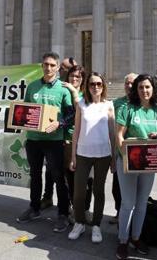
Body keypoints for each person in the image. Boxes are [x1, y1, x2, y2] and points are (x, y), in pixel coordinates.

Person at [115, 74, 157, 260]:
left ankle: (136, 237)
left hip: (148, 163)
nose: (144, 90)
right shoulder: (127, 108)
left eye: (147, 87)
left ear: (154, 89)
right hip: (128, 161)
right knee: (128, 203)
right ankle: (123, 241)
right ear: (136, 90)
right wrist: (127, 156)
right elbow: (119, 135)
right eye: (141, 87)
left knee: (141, 203)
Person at [16, 52, 74, 233]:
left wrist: (60, 123)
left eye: (51, 65)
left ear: (57, 68)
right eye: (45, 64)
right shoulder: (32, 86)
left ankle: (63, 214)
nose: (48, 68)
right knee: (35, 175)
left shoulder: (63, 89)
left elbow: (71, 114)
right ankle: (34, 208)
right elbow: (25, 111)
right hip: (33, 140)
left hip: (54, 141)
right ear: (42, 66)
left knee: (58, 177)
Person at [68, 72, 116, 243]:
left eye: (99, 84)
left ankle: (96, 225)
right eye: (92, 84)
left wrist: (114, 157)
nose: (95, 87)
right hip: (83, 154)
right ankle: (79, 222)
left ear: (103, 86)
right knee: (79, 192)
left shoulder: (109, 105)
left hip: (103, 154)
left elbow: (112, 132)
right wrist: (73, 156)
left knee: (99, 191)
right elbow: (77, 132)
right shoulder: (81, 104)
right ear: (87, 87)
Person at [41, 56, 78, 209]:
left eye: (65, 68)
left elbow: (73, 113)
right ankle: (48, 196)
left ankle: (72, 205)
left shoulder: (74, 88)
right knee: (50, 170)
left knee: (68, 174)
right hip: (56, 138)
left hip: (70, 138)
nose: (61, 70)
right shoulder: (56, 86)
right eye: (61, 67)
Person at [62, 65, 94, 223]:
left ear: (83, 79)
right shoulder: (62, 91)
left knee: (87, 180)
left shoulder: (87, 95)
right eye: (72, 76)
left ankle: (85, 208)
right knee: (70, 179)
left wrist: (74, 91)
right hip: (66, 141)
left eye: (78, 77)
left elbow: (80, 110)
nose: (74, 79)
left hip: (85, 142)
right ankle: (73, 208)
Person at [110, 72, 137, 224]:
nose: (129, 86)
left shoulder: (141, 102)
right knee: (117, 186)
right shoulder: (117, 103)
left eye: (132, 83)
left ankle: (132, 215)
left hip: (136, 150)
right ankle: (119, 212)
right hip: (120, 150)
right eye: (127, 83)